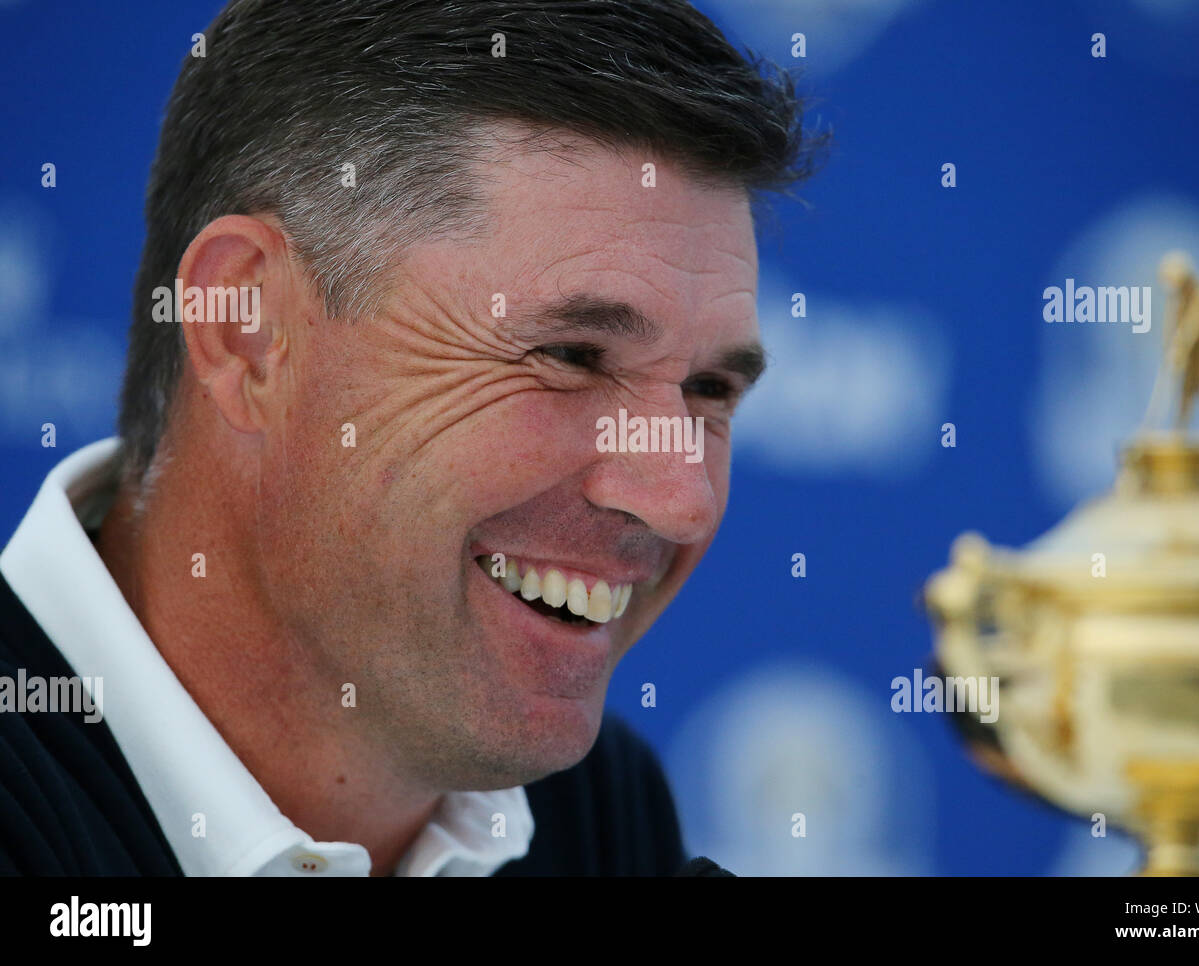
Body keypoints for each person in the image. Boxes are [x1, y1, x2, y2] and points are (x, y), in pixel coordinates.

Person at [0, 0, 822, 876]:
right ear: (250, 331)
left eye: (709, 389)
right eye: (573, 356)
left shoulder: (596, 813)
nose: (682, 499)